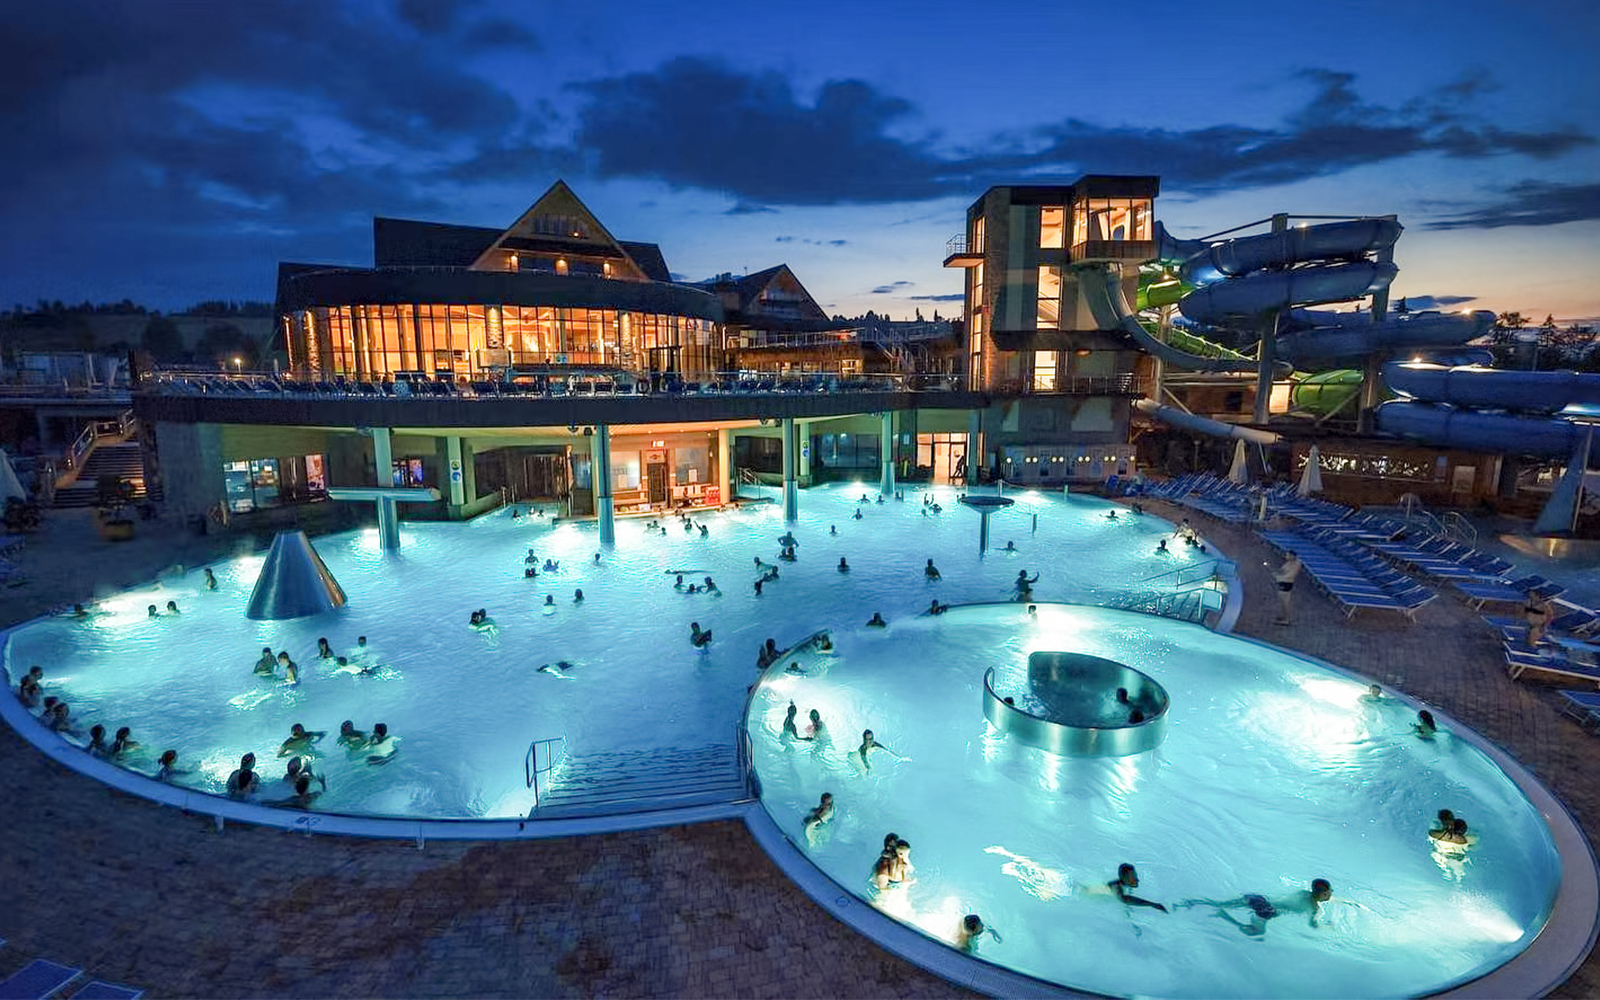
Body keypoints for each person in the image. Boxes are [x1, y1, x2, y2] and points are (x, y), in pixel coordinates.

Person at [1180, 879, 1333, 936]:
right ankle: (1224, 916)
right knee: (1257, 932)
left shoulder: (1303, 893)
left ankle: (1187, 902)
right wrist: (1328, 927)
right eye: (1329, 892)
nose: (1331, 894)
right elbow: (1313, 925)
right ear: (1323, 893)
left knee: (1218, 903)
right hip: (1267, 911)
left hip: (1258, 898)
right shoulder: (1315, 908)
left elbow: (1288, 900)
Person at [1273, 552, 1302, 625]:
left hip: (1287, 583)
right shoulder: (1288, 563)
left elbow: (1291, 575)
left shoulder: (1296, 565)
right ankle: (1283, 616)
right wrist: (1277, 573)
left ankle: (1286, 619)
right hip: (1282, 582)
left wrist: (1279, 578)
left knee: (1285, 602)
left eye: (1288, 555)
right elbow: (1282, 570)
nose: (1286, 556)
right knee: (1282, 601)